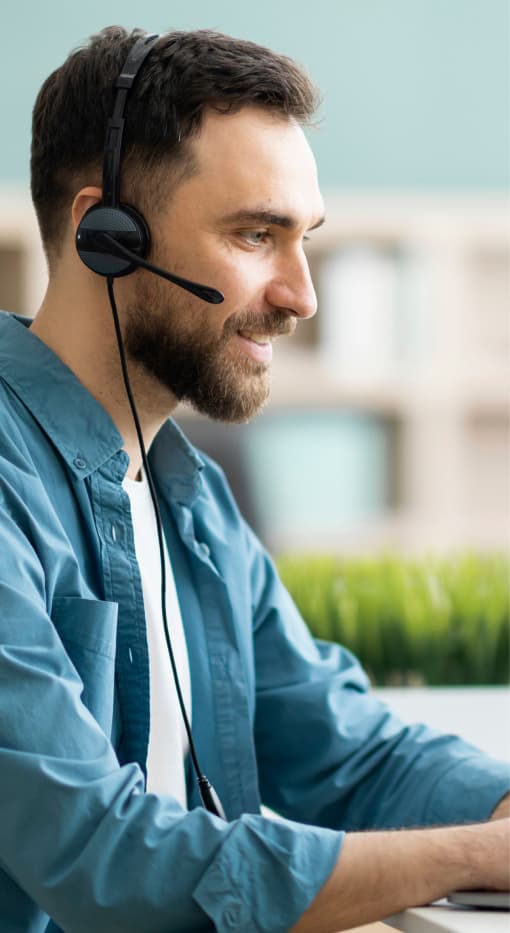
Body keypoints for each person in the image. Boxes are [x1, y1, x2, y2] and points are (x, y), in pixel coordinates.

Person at [0, 25, 508, 933]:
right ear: (104, 236)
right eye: (255, 235)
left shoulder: (192, 503)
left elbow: (348, 754)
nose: (301, 295)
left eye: (302, 238)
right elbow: (101, 857)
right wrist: (474, 853)